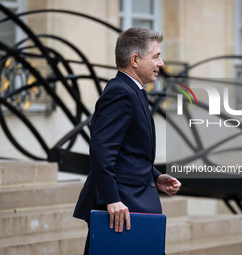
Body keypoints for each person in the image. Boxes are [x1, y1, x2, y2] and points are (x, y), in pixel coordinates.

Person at [73, 27, 181, 254]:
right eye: (156, 57)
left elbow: (127, 151)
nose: (161, 63)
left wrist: (156, 176)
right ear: (135, 60)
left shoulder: (133, 90)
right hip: (122, 208)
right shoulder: (120, 92)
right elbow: (102, 151)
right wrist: (112, 199)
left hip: (134, 202)